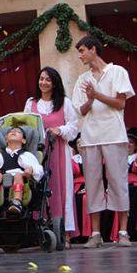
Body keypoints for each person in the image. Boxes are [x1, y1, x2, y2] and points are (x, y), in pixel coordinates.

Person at [73, 35, 135, 248]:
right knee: (92, 183)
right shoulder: (82, 79)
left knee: (118, 181)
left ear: (93, 49)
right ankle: (96, 233)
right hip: (90, 137)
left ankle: (123, 232)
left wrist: (96, 94)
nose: (80, 55)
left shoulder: (117, 72)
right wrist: (90, 99)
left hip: (114, 134)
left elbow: (120, 103)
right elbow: (79, 110)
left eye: (82, 50)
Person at [24, 66, 80, 238]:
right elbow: (24, 125)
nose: (44, 82)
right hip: (37, 152)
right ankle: (39, 232)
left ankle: (64, 233)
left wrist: (60, 130)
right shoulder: (31, 103)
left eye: (48, 79)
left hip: (58, 152)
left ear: (54, 83)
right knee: (38, 188)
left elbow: (73, 126)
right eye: (41, 79)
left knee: (60, 188)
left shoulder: (64, 102)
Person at [0, 125, 44, 218]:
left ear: (23, 140)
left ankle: (17, 201)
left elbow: (38, 168)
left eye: (18, 132)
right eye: (10, 131)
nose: (13, 132)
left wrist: (31, 169)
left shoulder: (26, 155)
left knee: (18, 175)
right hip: (3, 179)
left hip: (21, 178)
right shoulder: (1, 156)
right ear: (6, 140)